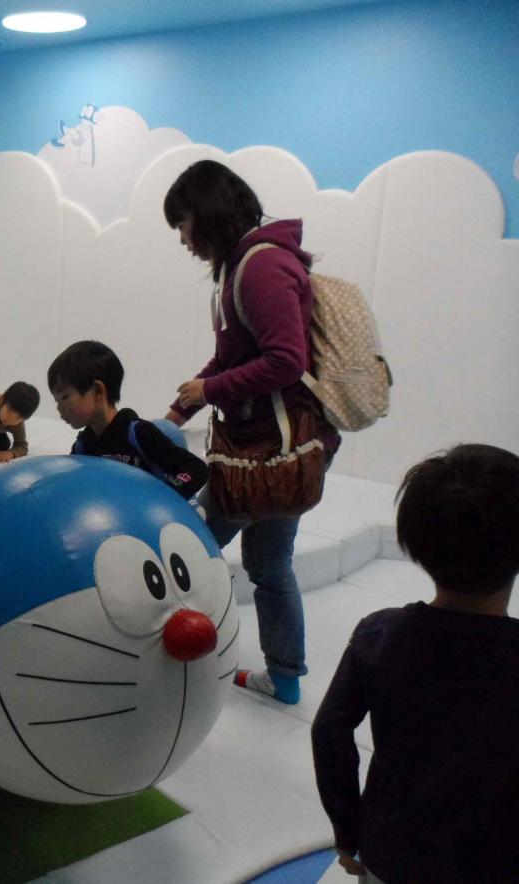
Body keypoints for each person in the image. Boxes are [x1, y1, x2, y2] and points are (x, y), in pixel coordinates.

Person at [162, 159, 339, 705]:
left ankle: (152, 649)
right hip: (285, 448)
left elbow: (285, 360)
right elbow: (232, 357)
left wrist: (208, 391)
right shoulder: (247, 263)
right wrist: (179, 412)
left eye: (183, 224)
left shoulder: (259, 267)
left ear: (208, 213)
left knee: (186, 538)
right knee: (268, 564)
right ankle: (284, 678)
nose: (183, 240)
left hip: (265, 452)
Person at [311, 444, 519, 882]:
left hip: (392, 852)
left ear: (414, 542)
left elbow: (329, 731)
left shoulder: (378, 635)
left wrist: (347, 831)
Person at [47, 339, 207, 501]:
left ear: (97, 391)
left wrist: (163, 493)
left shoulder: (139, 434)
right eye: (56, 400)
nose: (59, 408)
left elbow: (196, 469)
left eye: (64, 397)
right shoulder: (83, 446)